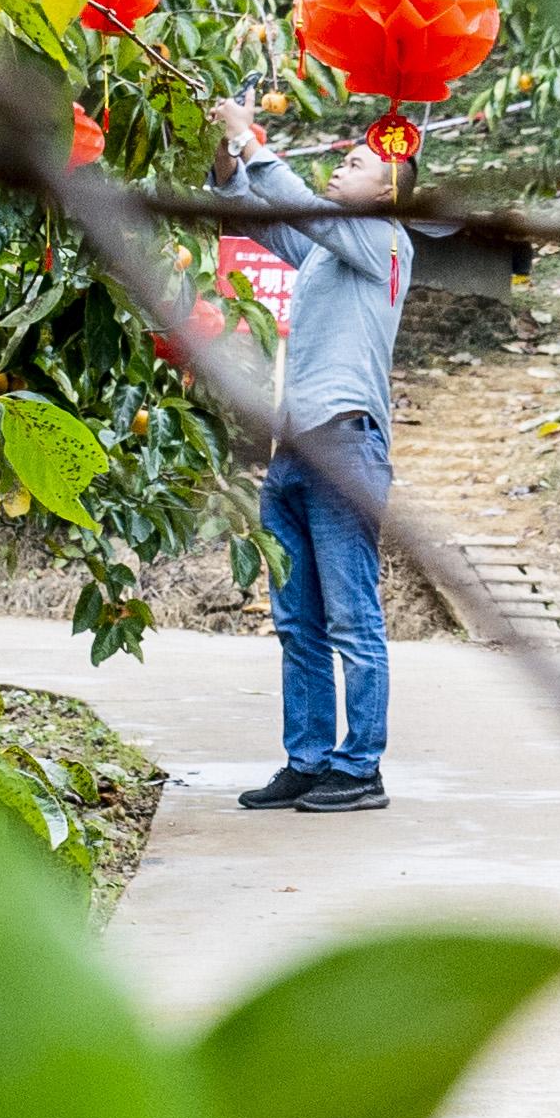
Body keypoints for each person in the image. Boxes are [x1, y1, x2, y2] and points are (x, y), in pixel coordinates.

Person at [210, 93, 417, 814]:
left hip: (346, 446)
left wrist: (255, 141)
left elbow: (301, 207)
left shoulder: (386, 241)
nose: (340, 166)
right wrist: (227, 157)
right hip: (294, 452)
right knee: (297, 621)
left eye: (355, 163)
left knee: (352, 620)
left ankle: (361, 767)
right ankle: (309, 760)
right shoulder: (328, 258)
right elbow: (258, 217)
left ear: (387, 189)